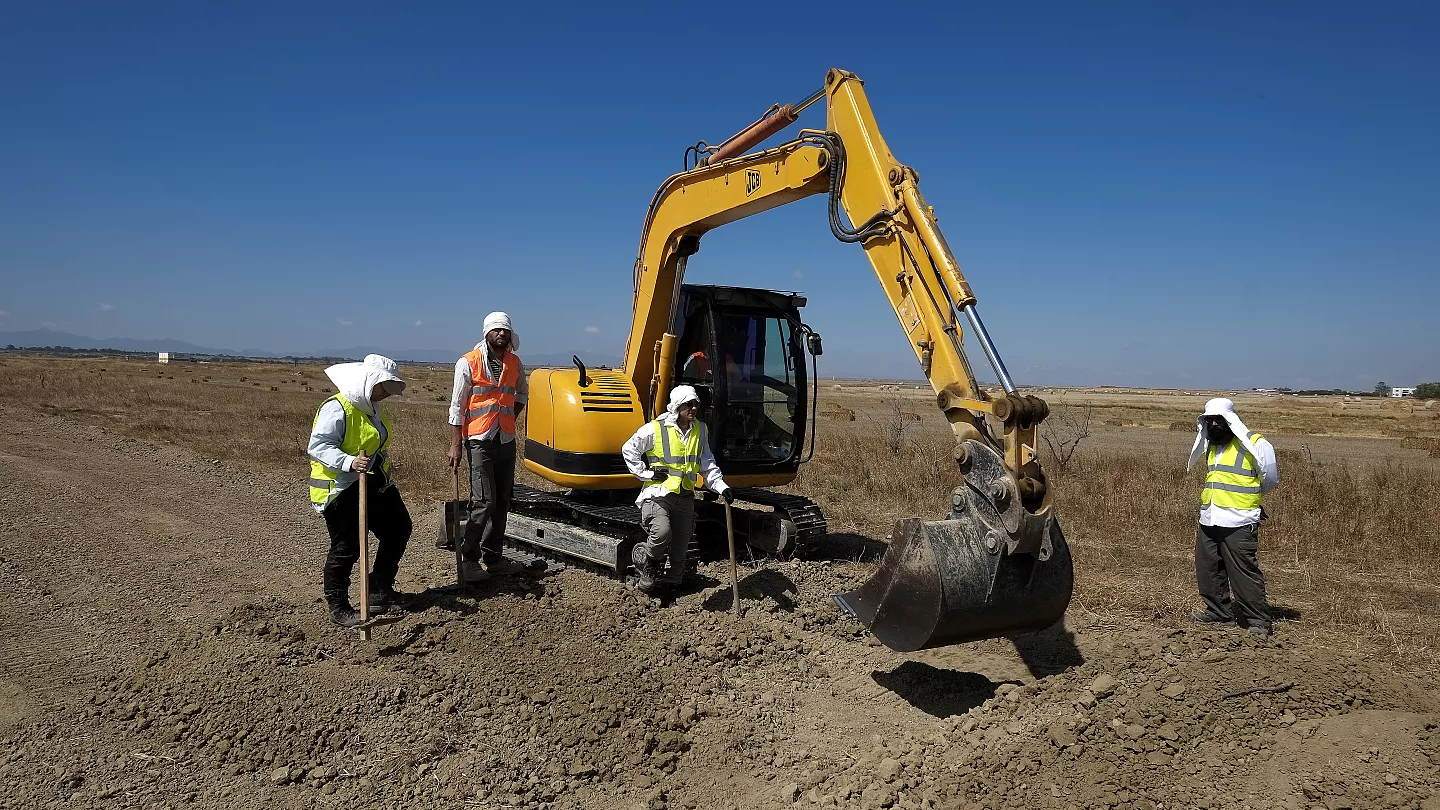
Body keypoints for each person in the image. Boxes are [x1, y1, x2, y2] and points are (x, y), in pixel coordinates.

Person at [307, 354, 413, 628]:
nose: (387, 394)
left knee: (399, 527)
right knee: (348, 546)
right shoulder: (337, 407)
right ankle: (339, 605)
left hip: (374, 482)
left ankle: (378, 589)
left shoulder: (373, 406)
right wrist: (349, 462)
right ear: (369, 382)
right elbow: (318, 447)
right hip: (341, 488)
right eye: (384, 387)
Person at [620, 385, 732, 594]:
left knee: (680, 548)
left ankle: (671, 590)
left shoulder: (700, 430)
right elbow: (629, 449)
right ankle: (650, 567)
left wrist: (721, 487)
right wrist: (647, 474)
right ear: (677, 406)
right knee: (661, 532)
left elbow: (706, 463)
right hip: (659, 494)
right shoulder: (656, 428)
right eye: (688, 404)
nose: (693, 408)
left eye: (695, 404)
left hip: (685, 496)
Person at [1185, 397, 1280, 636]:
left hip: (1239, 519)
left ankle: (1257, 620)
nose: (1214, 424)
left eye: (1219, 420)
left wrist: (1249, 503)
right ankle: (1218, 613)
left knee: (1243, 571)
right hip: (1210, 517)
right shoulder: (1213, 445)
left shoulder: (1256, 444)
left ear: (1230, 420)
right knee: (1208, 569)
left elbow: (1269, 480)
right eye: (1210, 420)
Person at [447, 312, 528, 582]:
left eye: (505, 330)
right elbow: (457, 408)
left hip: (505, 440)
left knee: (502, 501)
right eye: (497, 330)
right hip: (479, 441)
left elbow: (521, 394)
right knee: (484, 501)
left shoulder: (515, 363)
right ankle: (470, 560)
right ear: (487, 333)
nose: (501, 334)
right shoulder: (467, 362)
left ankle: (493, 558)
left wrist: (508, 419)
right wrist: (455, 446)